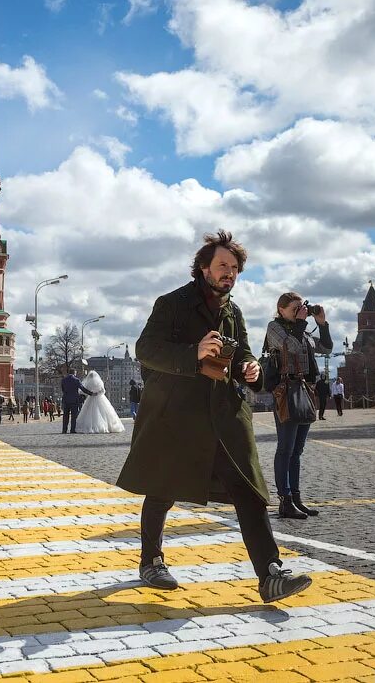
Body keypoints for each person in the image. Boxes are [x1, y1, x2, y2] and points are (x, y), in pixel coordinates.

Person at [118, 230, 312, 603]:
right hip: (176, 413)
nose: (230, 273)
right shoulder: (172, 303)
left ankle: (270, 574)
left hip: (224, 415)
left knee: (249, 489)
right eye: (223, 265)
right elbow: (147, 350)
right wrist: (193, 352)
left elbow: (242, 356)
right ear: (203, 267)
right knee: (163, 488)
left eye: (235, 268)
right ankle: (151, 560)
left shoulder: (233, 311)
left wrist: (250, 369)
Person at [264, 292, 332, 520]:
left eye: (300, 307)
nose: (299, 312)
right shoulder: (274, 328)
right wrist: (302, 322)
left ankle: (296, 498)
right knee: (285, 448)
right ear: (281, 309)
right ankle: (285, 501)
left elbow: (326, 348)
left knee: (297, 450)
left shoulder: (303, 330)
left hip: (304, 392)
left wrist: (321, 324)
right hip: (285, 393)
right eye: (294, 308)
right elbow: (290, 346)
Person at [60, 368, 93, 434]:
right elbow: (83, 389)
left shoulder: (63, 380)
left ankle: (64, 430)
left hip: (66, 400)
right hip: (74, 401)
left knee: (65, 416)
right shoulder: (76, 380)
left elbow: (63, 390)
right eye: (75, 373)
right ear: (74, 373)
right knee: (73, 416)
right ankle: (72, 430)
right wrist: (91, 393)